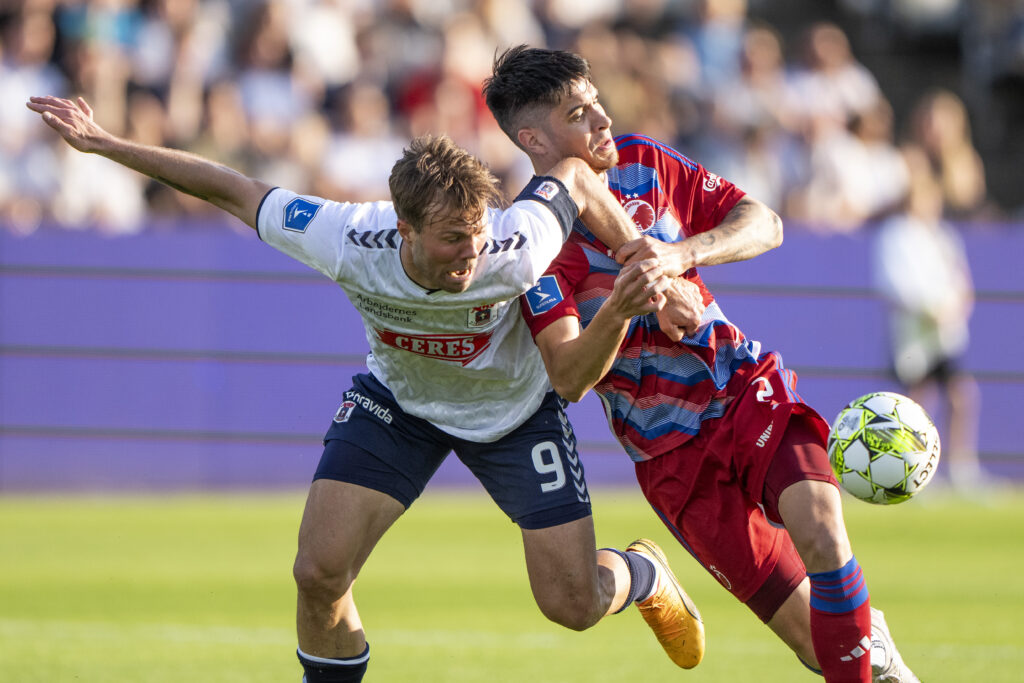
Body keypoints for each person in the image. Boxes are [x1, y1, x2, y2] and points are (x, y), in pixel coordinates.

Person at [26, 93, 705, 681]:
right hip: (400, 405)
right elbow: (232, 190)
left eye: (474, 234)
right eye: (450, 241)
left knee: (574, 605)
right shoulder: (350, 235)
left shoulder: (514, 241)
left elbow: (575, 177)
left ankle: (641, 573)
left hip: (515, 413)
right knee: (317, 573)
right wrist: (106, 144)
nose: (470, 254)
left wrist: (646, 265)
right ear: (403, 227)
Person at [483, 45, 920, 682]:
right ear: (535, 139)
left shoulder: (642, 162)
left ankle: (859, 645)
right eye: (580, 114)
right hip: (672, 458)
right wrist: (627, 306)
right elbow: (570, 377)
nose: (603, 120)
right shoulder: (533, 247)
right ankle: (864, 648)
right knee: (814, 643)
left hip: (742, 387)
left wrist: (682, 254)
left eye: (597, 101)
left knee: (824, 534)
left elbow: (763, 222)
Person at [873, 144, 984, 492]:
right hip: (913, 336)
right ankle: (914, 470)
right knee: (916, 403)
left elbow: (960, 278)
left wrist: (956, 306)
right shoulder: (895, 235)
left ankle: (963, 469)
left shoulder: (943, 235)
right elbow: (893, 283)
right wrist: (927, 308)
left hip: (945, 335)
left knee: (961, 396)